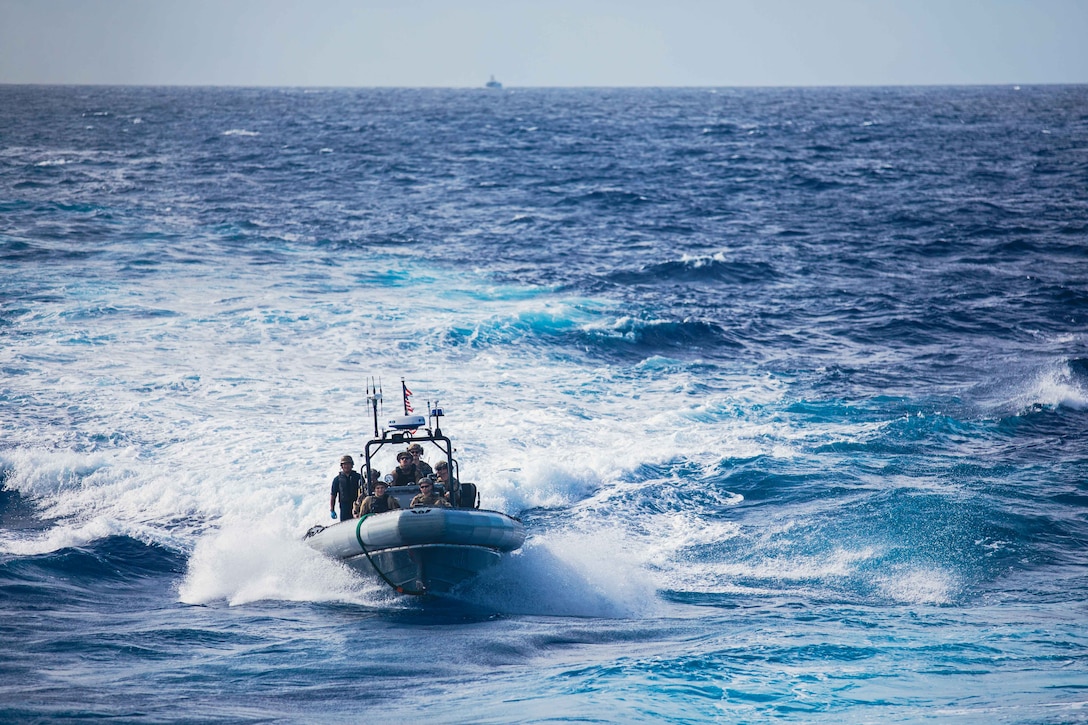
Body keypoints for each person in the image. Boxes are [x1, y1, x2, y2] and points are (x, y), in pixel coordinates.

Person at [329, 455, 361, 521]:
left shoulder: (358, 477)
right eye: (345, 464)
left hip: (357, 506)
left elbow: (364, 491)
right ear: (342, 466)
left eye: (348, 464)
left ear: (352, 465)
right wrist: (332, 510)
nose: (347, 466)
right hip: (344, 507)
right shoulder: (337, 479)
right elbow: (333, 495)